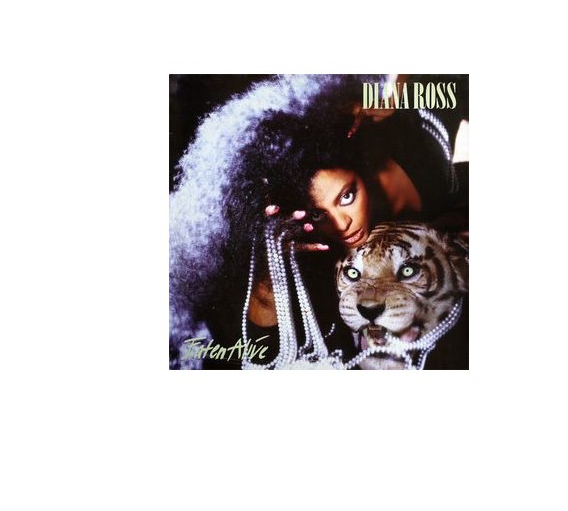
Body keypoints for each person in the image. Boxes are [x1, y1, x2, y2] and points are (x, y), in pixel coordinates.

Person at [169, 74, 468, 369]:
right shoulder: (319, 251)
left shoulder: (405, 133)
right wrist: (267, 276)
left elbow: (455, 86)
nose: (342, 224)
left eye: (347, 196)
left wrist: (401, 91)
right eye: (317, 214)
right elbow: (257, 352)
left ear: (361, 164)